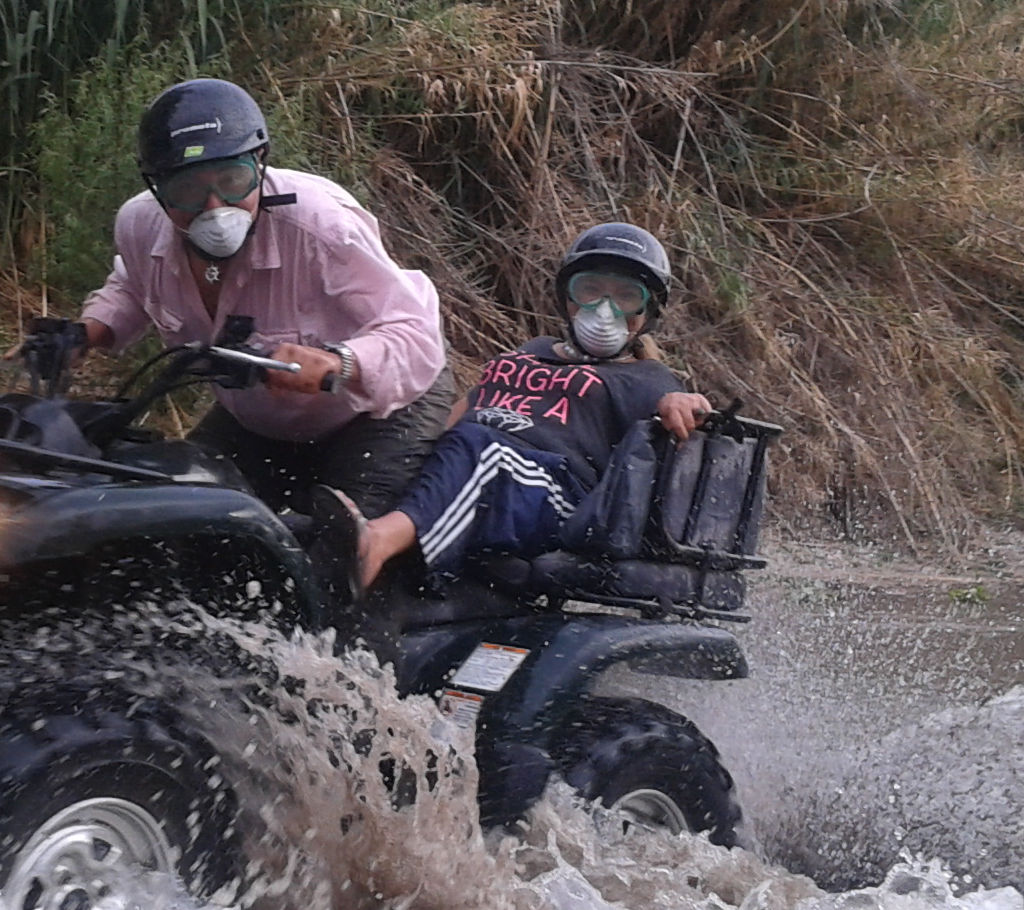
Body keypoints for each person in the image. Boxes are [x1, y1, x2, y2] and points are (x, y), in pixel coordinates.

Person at [77, 78, 456, 516]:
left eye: (233, 180)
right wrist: (89, 331)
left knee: (340, 552)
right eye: (188, 190)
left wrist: (340, 363)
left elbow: (416, 334)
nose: (216, 208)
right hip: (259, 422)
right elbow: (133, 284)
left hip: (377, 413)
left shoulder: (321, 227)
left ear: (260, 163)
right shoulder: (138, 224)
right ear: (157, 188)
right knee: (176, 516)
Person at [353, 222, 712, 589]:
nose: (604, 310)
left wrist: (684, 403)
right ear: (567, 297)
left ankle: (376, 542)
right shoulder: (533, 350)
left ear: (648, 311)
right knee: (426, 445)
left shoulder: (647, 377)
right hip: (469, 456)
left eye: (625, 296)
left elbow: (682, 411)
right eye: (589, 289)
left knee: (486, 451)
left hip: (551, 492)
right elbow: (463, 410)